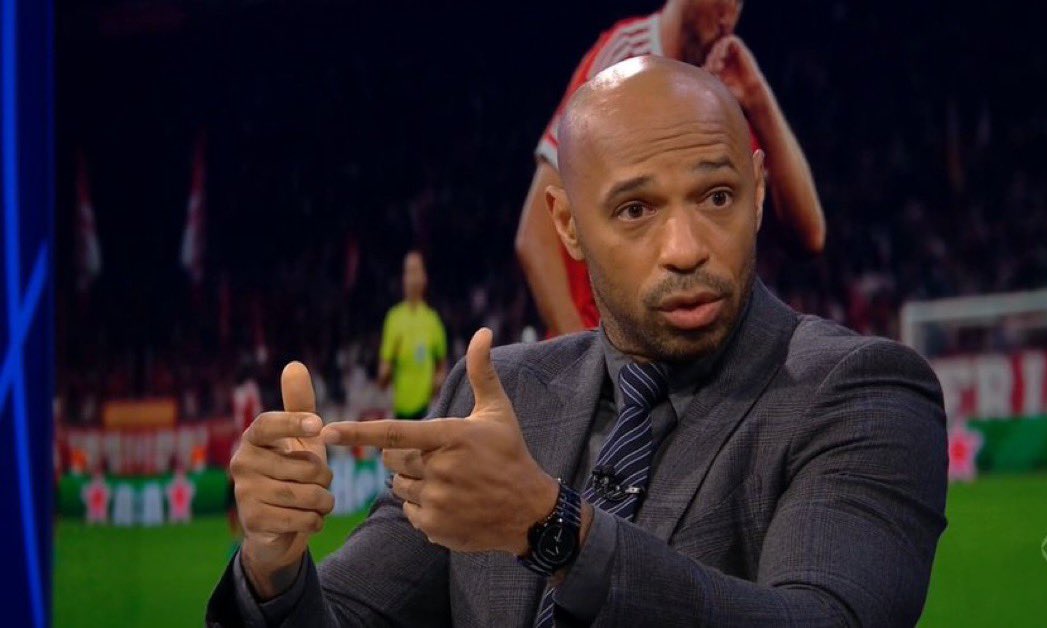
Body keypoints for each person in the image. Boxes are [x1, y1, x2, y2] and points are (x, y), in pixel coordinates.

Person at [208, 57, 946, 627]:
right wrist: (273, 567)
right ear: (566, 224)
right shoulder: (497, 396)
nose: (686, 247)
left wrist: (551, 527)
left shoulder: (860, 393)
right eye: (635, 210)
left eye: (716, 196)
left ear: (756, 193)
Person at [516, 0, 825, 335]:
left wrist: (757, 96)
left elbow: (808, 236)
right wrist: (587, 358)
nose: (728, 14)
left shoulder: (722, 83)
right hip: (608, 340)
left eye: (738, 2)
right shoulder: (624, 58)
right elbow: (535, 238)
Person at [378, 250, 447, 420]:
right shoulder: (394, 318)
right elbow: (383, 376)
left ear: (424, 278)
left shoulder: (433, 320)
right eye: (409, 272)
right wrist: (385, 372)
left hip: (427, 410)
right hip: (400, 410)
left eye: (416, 271)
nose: (413, 279)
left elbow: (442, 367)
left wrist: (437, 382)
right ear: (403, 279)